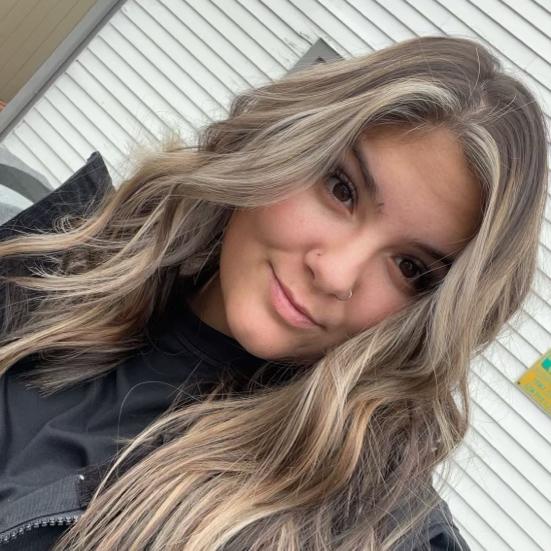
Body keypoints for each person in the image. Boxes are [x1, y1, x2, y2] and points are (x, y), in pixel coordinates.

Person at [0, 34, 547, 550]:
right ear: (281, 143)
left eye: (410, 268)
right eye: (342, 189)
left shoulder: (359, 521)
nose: (335, 274)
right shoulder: (65, 254)